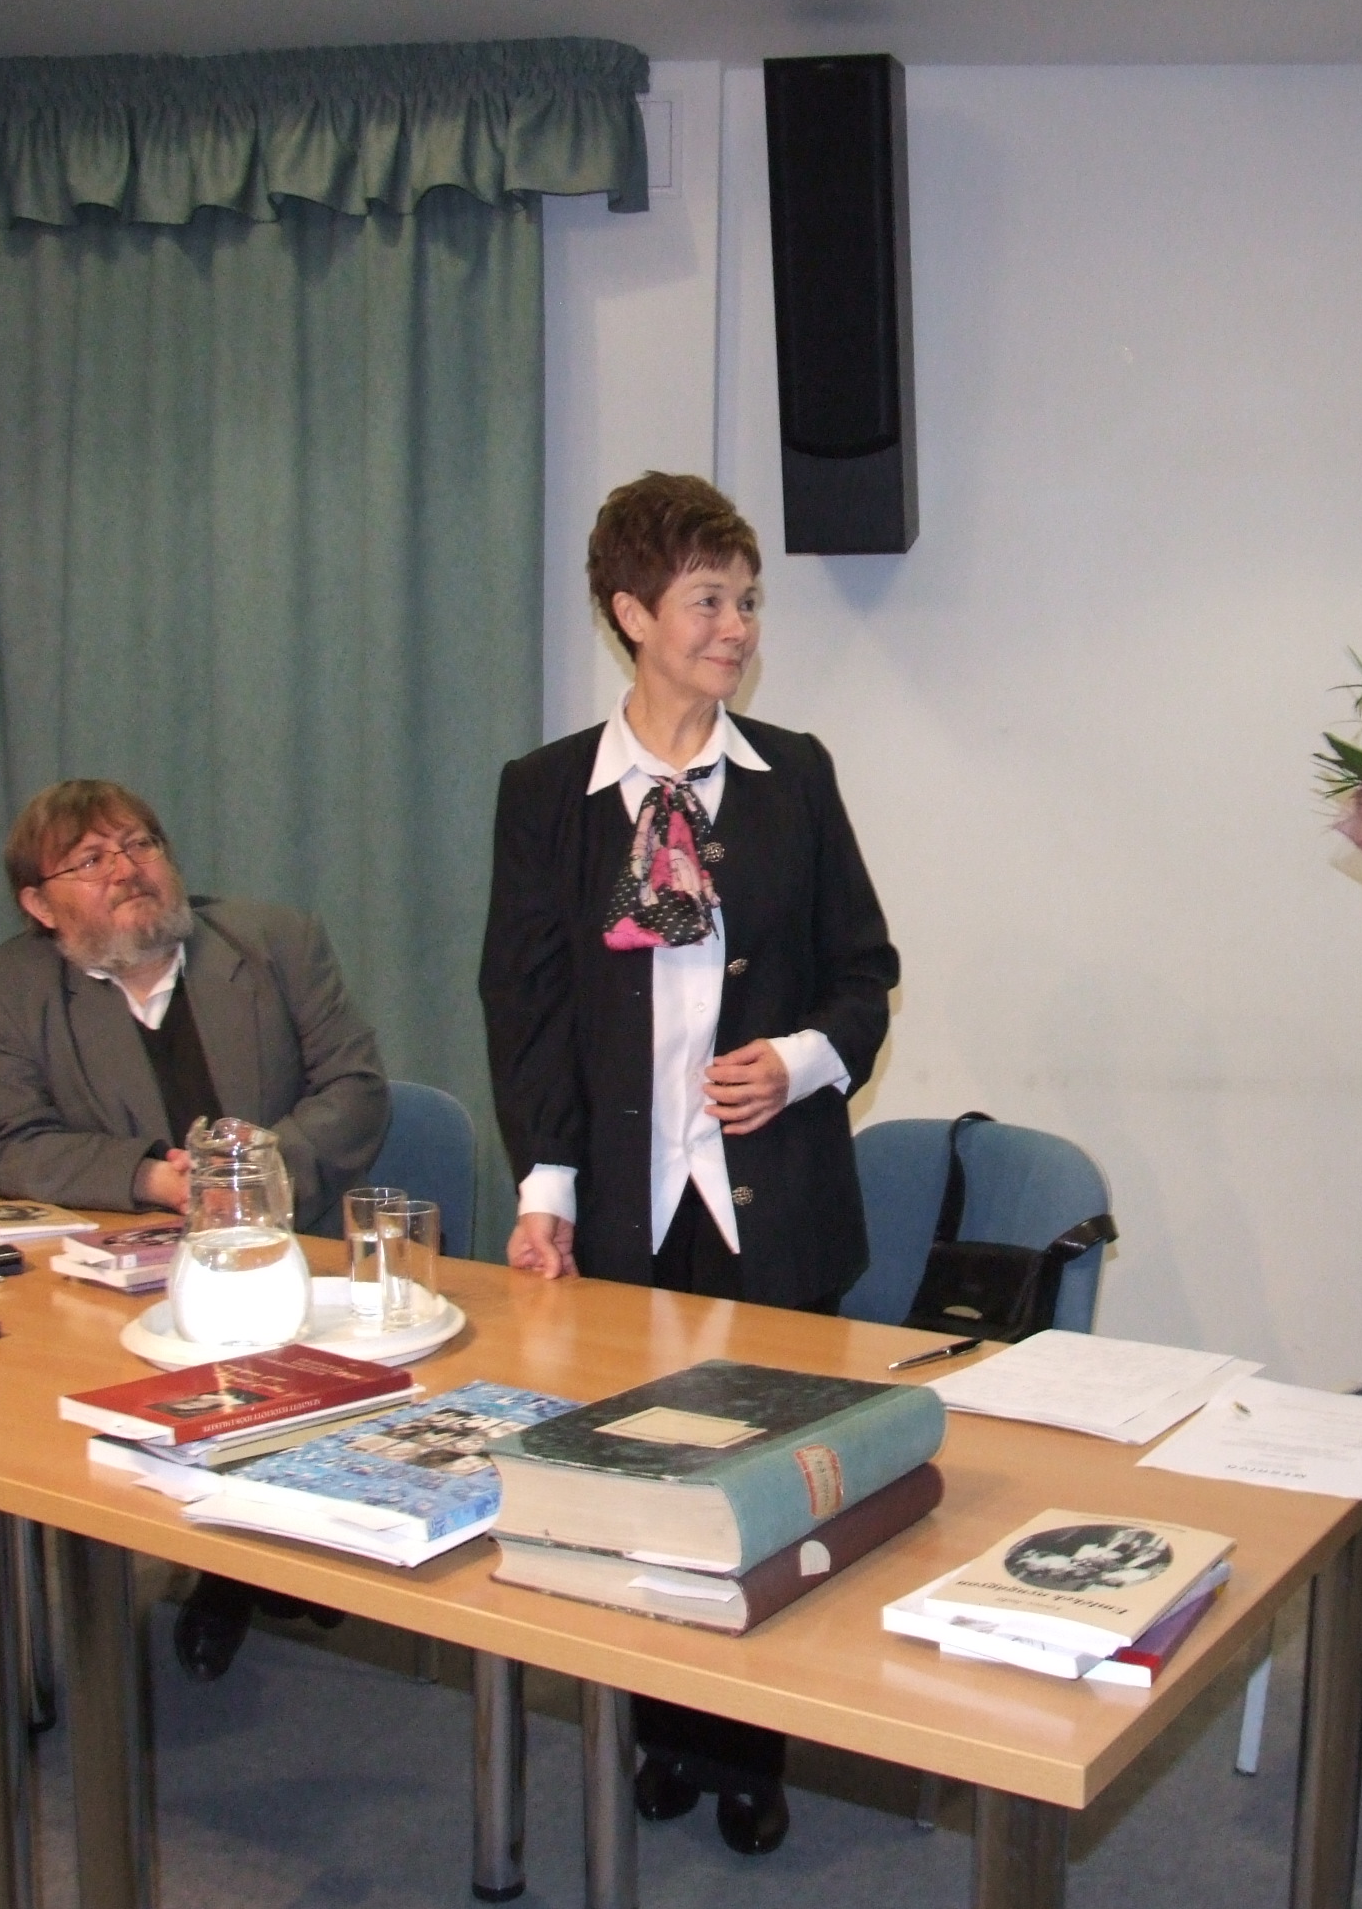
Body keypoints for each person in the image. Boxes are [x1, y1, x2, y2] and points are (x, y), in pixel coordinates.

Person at [480, 472, 898, 1856]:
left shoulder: (797, 777)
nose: (737, 627)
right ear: (632, 612)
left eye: (748, 600)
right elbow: (525, 1005)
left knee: (763, 1490)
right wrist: (546, 1189)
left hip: (771, 1202)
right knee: (636, 1485)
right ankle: (661, 1731)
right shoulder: (547, 793)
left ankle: (751, 1752)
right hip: (626, 1204)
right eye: (709, 600)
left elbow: (866, 975)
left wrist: (801, 1061)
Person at [0, 779, 389, 1680]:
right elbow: (8, 1144)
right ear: (39, 905)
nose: (127, 869)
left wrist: (253, 1177)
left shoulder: (272, 942)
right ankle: (223, 1560)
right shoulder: (12, 985)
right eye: (91, 859)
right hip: (132, 1271)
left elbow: (355, 1089)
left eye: (140, 844)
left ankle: (245, 1564)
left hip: (293, 1248)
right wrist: (147, 1177)